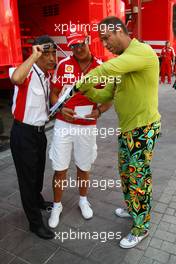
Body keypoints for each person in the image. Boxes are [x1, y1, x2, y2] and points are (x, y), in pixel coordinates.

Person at [76, 16, 161, 248]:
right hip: (127, 130)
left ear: (119, 31)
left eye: (106, 38)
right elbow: (106, 95)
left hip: (143, 129)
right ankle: (133, 209)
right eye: (101, 40)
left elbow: (107, 68)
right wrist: (87, 89)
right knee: (126, 174)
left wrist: (86, 78)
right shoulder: (123, 61)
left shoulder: (141, 52)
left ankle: (141, 226)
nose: (105, 44)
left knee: (138, 177)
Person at [48, 28, 112, 228]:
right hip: (63, 124)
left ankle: (83, 200)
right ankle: (56, 205)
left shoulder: (101, 66)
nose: (78, 48)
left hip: (87, 125)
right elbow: (54, 93)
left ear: (87, 40)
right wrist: (62, 107)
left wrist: (100, 111)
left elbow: (109, 96)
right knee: (60, 168)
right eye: (74, 46)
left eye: (81, 44)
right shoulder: (63, 65)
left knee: (84, 167)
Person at [10, 35, 57, 239]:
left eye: (54, 53)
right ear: (37, 53)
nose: (52, 58)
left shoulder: (46, 76)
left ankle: (37, 200)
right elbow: (16, 78)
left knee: (38, 173)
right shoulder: (27, 71)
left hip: (39, 133)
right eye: (47, 54)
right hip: (23, 134)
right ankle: (35, 223)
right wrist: (33, 55)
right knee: (27, 180)